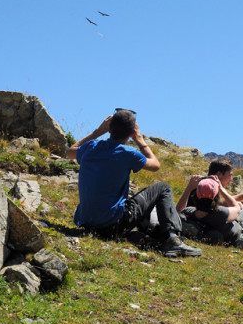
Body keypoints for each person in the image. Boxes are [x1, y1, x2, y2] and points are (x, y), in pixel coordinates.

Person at [66, 110, 201, 258]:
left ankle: (149, 234)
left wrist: (98, 132)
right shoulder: (128, 153)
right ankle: (172, 240)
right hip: (113, 225)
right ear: (131, 133)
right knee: (163, 188)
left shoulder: (90, 147)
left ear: (109, 128)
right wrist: (140, 140)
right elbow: (155, 165)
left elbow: (69, 152)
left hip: (87, 223)